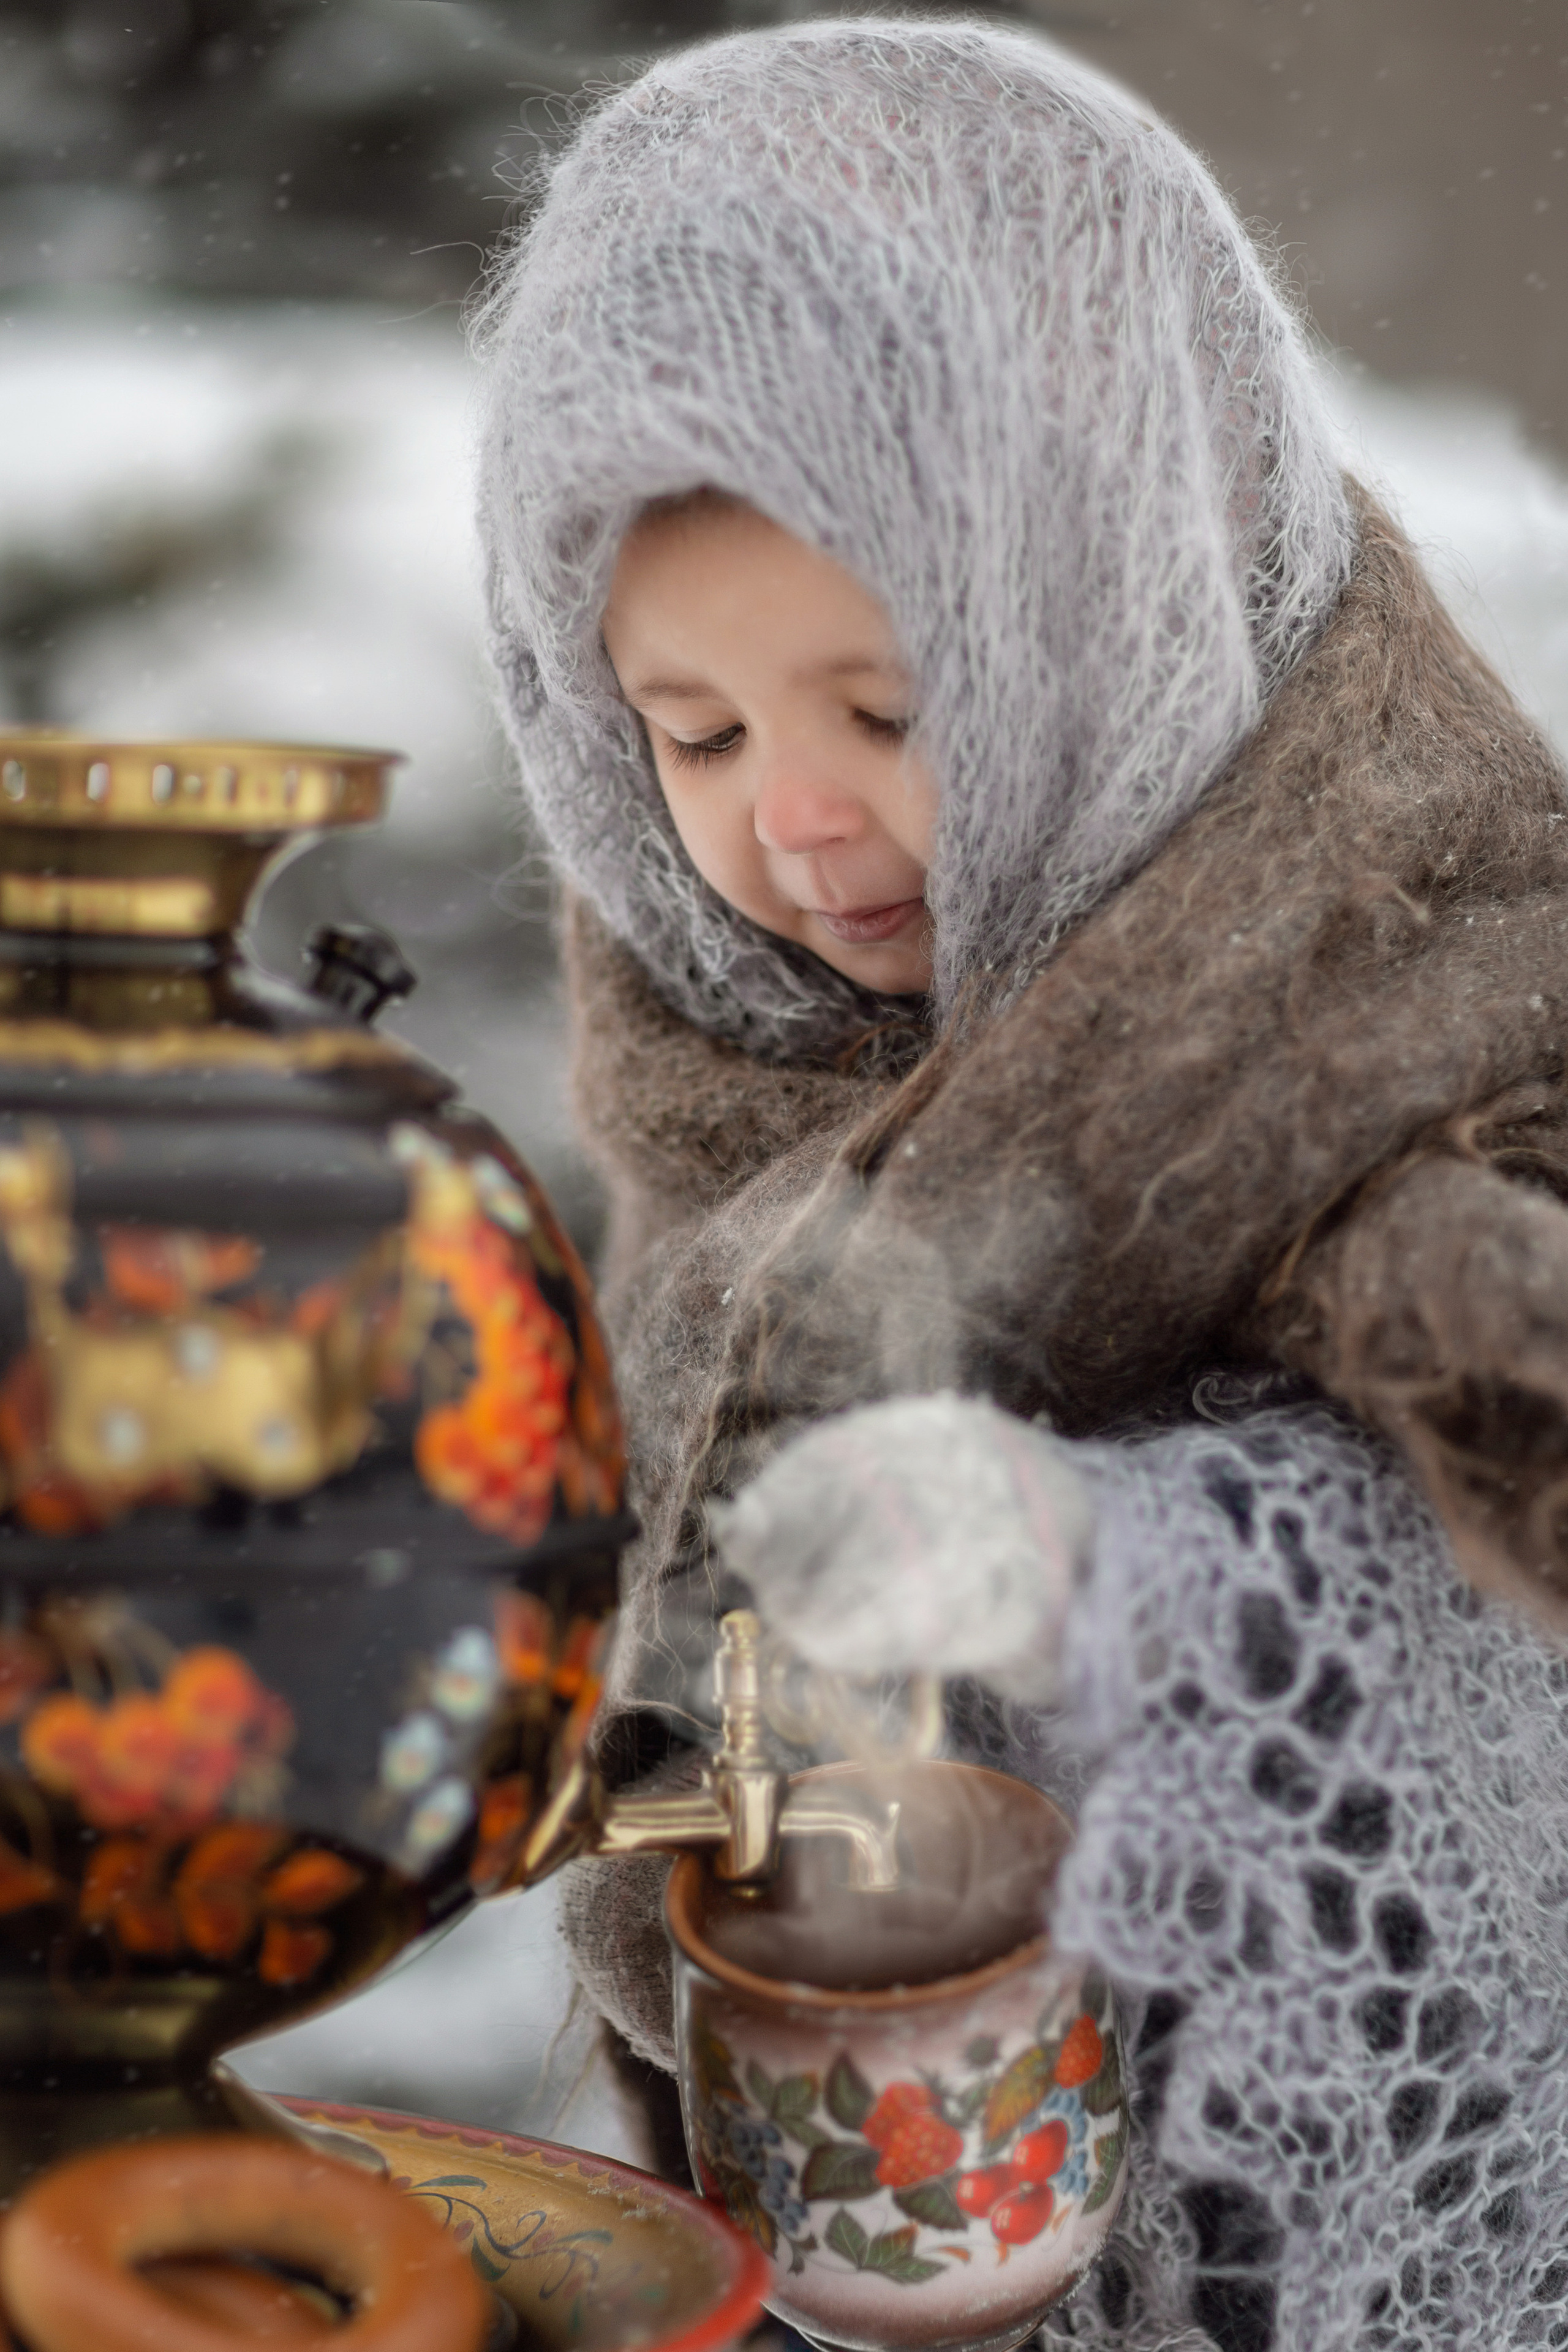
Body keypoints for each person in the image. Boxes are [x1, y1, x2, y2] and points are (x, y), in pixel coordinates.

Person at [475, 20, 1568, 2347]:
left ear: (1118, 608)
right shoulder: (739, 1067)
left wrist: (1115, 1577)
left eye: (892, 706)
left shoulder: (1443, 979)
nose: (796, 822)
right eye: (692, 732)